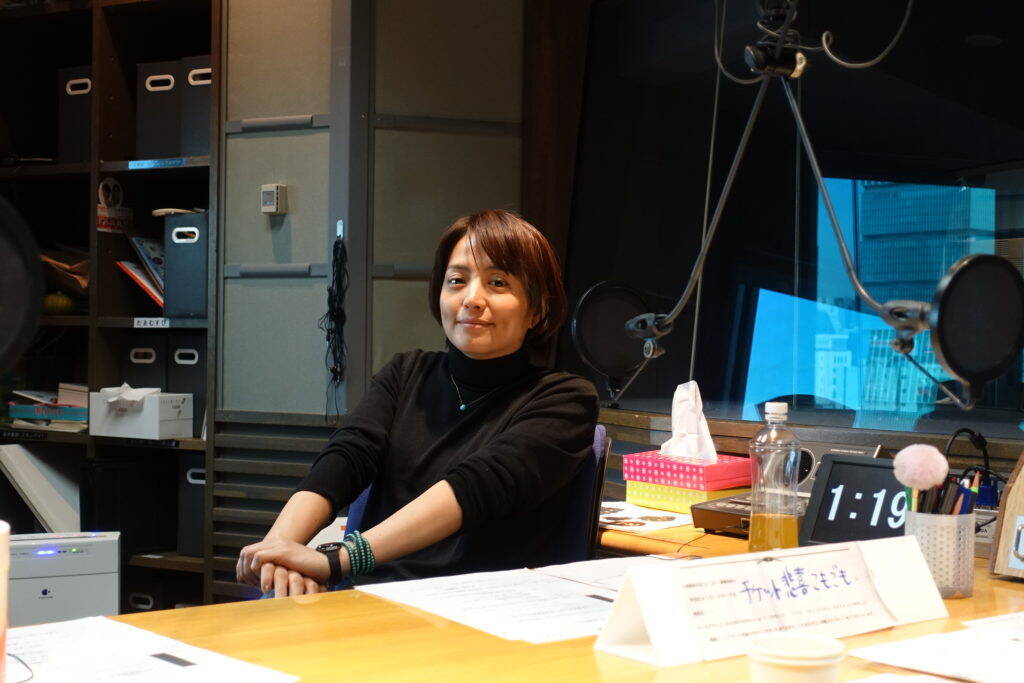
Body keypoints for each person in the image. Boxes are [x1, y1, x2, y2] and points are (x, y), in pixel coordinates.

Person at [236, 209, 599, 596]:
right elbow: (346, 457)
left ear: (538, 308)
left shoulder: (566, 399)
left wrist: (337, 560)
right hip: (372, 597)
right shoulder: (405, 373)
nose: (472, 299)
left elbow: (475, 487)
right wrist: (278, 549)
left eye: (498, 283)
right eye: (457, 281)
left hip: (479, 608)